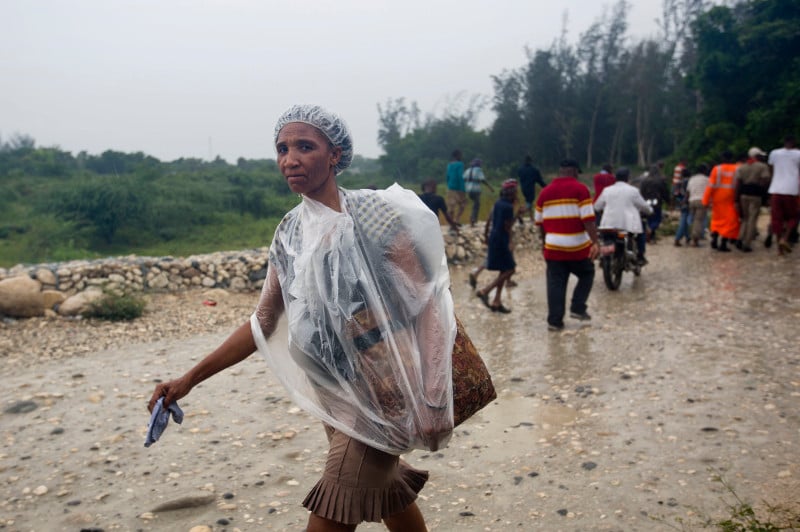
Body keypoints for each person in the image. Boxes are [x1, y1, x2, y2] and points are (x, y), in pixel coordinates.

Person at [148, 105, 456, 532]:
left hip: (386, 390)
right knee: (387, 491)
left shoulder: (373, 216)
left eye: (304, 147)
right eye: (282, 148)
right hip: (333, 395)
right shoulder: (290, 232)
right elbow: (264, 320)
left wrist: (435, 395)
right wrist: (188, 379)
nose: (289, 159)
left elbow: (427, 304)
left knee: (336, 501)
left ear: (335, 154)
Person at [535, 159, 600, 331]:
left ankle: (555, 322)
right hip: (577, 248)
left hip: (553, 247)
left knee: (556, 284)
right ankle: (578, 307)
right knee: (587, 273)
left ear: (560, 171)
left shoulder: (544, 193)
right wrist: (595, 242)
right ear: (575, 171)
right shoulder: (581, 189)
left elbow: (539, 223)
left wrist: (545, 244)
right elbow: (589, 221)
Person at [475, 179, 518, 313]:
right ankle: (485, 290)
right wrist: (511, 241)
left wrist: (486, 234)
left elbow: (491, 220)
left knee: (503, 269)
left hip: (495, 237)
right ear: (512, 193)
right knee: (510, 269)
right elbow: (508, 226)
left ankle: (496, 301)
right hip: (502, 239)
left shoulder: (498, 203)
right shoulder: (508, 207)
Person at [594, 167, 653, 264]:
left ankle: (604, 258)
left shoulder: (607, 190)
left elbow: (597, 206)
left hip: (608, 226)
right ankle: (640, 256)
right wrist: (650, 210)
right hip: (628, 226)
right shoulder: (633, 191)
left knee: (606, 239)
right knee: (641, 234)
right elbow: (643, 206)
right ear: (628, 178)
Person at [767, 135, 800, 255]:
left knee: (777, 219)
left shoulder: (774, 153)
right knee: (794, 217)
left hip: (775, 189)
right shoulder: (798, 154)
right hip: (791, 190)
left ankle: (779, 249)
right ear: (794, 142)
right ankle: (784, 239)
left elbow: (770, 169)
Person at [735, 147, 771, 252]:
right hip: (755, 194)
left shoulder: (742, 167)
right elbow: (766, 180)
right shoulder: (762, 166)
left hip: (743, 194)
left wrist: (736, 198)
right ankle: (747, 243)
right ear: (757, 156)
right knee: (752, 219)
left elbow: (738, 183)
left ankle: (740, 238)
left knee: (745, 218)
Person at [703, 151, 740, 252]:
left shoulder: (717, 169)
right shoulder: (737, 169)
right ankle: (723, 243)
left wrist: (705, 201)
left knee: (716, 219)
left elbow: (710, 186)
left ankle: (714, 238)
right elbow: (738, 185)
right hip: (730, 198)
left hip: (717, 199)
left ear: (722, 158)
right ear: (732, 158)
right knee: (730, 221)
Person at [639, 164, 670, 242]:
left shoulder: (644, 180)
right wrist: (668, 201)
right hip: (657, 202)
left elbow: (641, 192)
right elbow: (664, 192)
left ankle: (651, 235)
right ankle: (651, 230)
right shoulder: (660, 180)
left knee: (649, 218)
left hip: (646, 202)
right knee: (657, 219)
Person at [463, 158, 495, 226]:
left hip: (468, 189)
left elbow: (464, 179)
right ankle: (473, 219)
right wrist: (490, 187)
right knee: (477, 204)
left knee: (475, 203)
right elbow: (482, 179)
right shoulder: (478, 170)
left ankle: (472, 218)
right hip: (475, 189)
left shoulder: (468, 170)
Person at [517, 155, 547, 221]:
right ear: (531, 161)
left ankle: (531, 218)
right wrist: (547, 187)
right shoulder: (534, 170)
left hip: (523, 189)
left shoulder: (520, 169)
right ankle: (520, 213)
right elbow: (539, 181)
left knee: (528, 201)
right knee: (529, 203)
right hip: (530, 189)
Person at [687, 164, 710, 247]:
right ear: (704, 171)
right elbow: (709, 191)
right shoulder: (707, 179)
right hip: (701, 201)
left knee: (692, 220)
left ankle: (689, 235)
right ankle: (695, 240)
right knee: (699, 221)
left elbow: (688, 192)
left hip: (692, 200)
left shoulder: (692, 179)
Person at [445, 149, 466, 226]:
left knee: (451, 207)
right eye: (460, 155)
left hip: (450, 187)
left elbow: (447, 177)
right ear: (457, 156)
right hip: (459, 188)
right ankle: (456, 220)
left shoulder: (449, 165)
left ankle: (451, 224)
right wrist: (463, 188)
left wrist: (448, 185)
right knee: (463, 205)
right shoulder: (460, 164)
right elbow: (460, 176)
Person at [672, 167, 692, 246]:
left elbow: (675, 194)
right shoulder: (689, 182)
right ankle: (677, 238)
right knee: (684, 221)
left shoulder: (678, 183)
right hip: (687, 203)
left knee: (685, 220)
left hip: (680, 203)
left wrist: (673, 204)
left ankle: (687, 237)